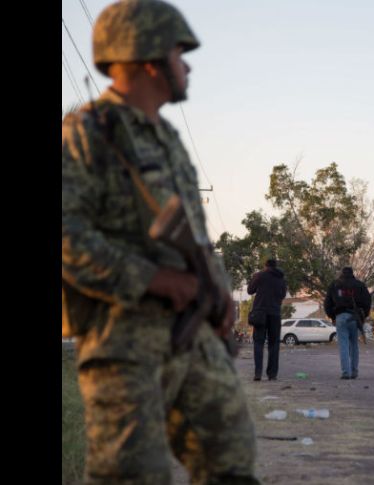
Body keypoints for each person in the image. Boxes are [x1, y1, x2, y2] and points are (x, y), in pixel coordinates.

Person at [61, 1, 259, 483]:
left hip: (193, 335)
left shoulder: (167, 138)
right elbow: (67, 236)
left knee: (232, 462)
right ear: (149, 57)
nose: (186, 64)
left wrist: (219, 292)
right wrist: (154, 279)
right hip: (125, 343)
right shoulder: (87, 131)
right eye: (177, 52)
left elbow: (194, 237)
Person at [324, 267, 371, 379]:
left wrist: (332, 316)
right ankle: (354, 371)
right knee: (354, 345)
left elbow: (327, 303)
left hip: (340, 316)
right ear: (352, 274)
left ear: (341, 273)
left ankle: (346, 372)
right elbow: (367, 301)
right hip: (355, 317)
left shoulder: (334, 285)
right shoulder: (360, 285)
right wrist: (363, 316)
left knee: (343, 345)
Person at [247, 258, 288, 381]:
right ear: (276, 266)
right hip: (275, 313)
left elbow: (250, 291)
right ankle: (272, 374)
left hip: (260, 313)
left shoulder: (259, 275)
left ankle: (258, 373)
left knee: (258, 343)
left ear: (265, 266)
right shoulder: (281, 278)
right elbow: (283, 295)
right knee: (274, 344)